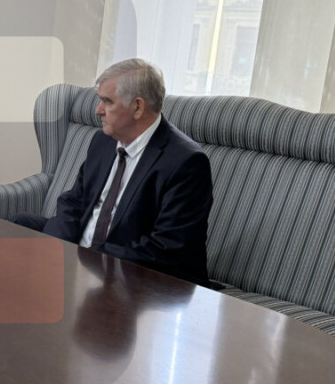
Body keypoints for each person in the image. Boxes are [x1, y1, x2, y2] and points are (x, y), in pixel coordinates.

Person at [12, 58, 213, 286]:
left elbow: (166, 248)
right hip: (82, 251)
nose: (98, 110)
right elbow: (74, 200)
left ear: (137, 107)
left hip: (132, 267)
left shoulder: (185, 162)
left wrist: (89, 260)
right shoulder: (103, 141)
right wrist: (60, 248)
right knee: (19, 225)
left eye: (107, 102)